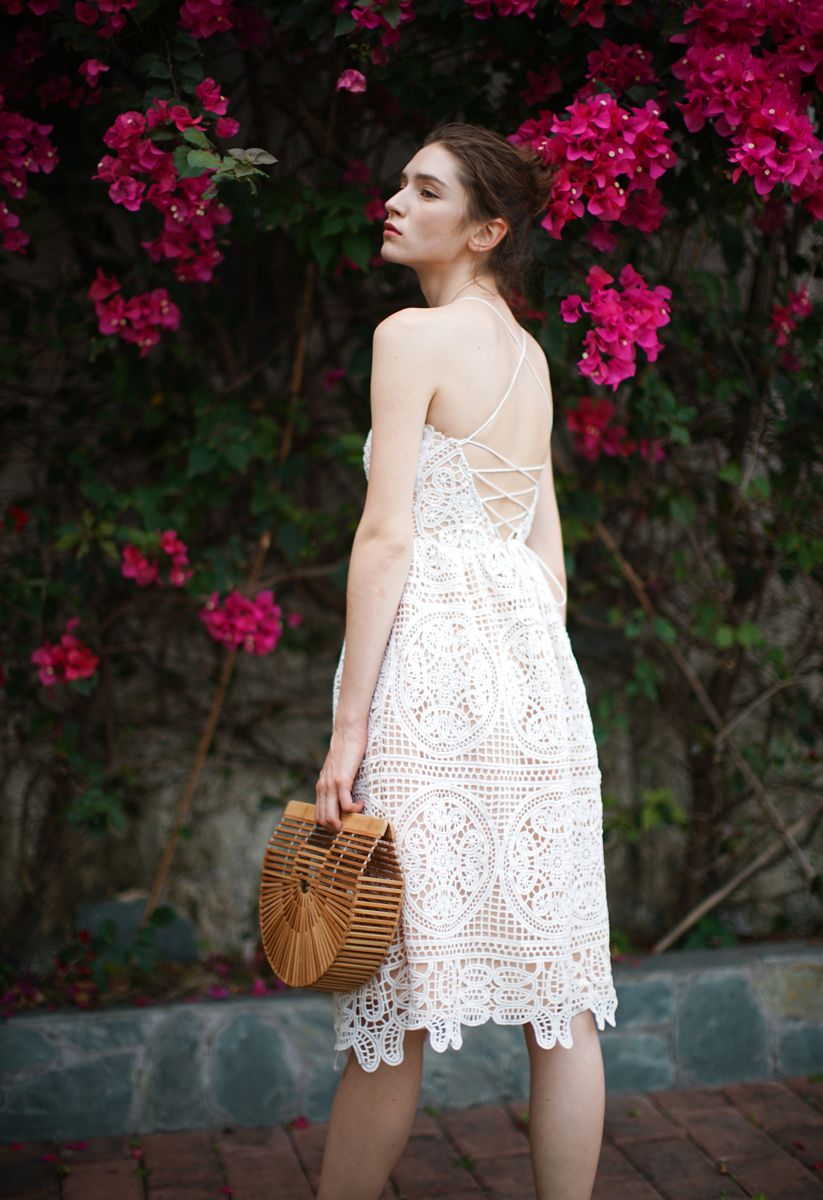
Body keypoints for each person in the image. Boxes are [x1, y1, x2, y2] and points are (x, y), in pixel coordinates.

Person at [313, 122, 619, 1200]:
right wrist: (531, 661)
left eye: (425, 189)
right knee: (561, 991)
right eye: (401, 180)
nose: (395, 199)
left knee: (392, 990)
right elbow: (547, 547)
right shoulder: (529, 357)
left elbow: (386, 535)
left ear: (485, 228)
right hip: (534, 673)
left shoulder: (410, 338)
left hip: (432, 672)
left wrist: (350, 725)